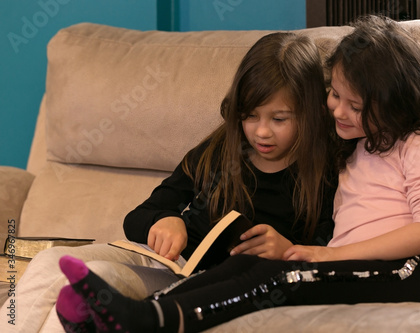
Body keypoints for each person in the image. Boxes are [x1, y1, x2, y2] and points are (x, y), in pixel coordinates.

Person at [54, 15, 420, 333]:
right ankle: (135, 315)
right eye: (334, 95)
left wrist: (324, 253)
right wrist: (166, 219)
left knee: (278, 276)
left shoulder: (395, 146)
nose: (338, 112)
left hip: (402, 269)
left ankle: (149, 319)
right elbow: (146, 211)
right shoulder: (353, 146)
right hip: (189, 263)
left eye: (279, 118)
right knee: (247, 268)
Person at [3, 31, 336, 333]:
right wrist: (164, 221)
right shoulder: (222, 148)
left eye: (279, 119)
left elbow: (333, 251)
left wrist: (288, 251)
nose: (261, 131)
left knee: (95, 287)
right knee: (53, 263)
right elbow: (138, 216)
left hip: (202, 287)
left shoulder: (325, 173)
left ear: (310, 112)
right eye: (249, 116)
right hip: (163, 262)